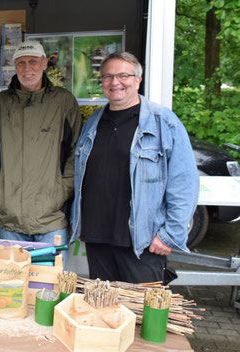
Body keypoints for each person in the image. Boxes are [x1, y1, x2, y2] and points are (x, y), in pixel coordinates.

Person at [69, 51, 199, 283]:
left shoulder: (163, 122)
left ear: (138, 80)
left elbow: (184, 182)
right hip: (97, 237)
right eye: (108, 76)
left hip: (143, 242)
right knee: (107, 311)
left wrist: (170, 235)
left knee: (143, 314)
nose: (114, 82)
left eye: (123, 75)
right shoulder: (93, 122)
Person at [0, 40, 82, 253]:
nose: (27, 68)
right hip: (10, 218)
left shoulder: (63, 102)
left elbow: (76, 151)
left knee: (50, 283)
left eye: (33, 62)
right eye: (21, 63)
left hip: (52, 217)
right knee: (13, 284)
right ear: (15, 66)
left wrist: (62, 190)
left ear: (44, 64)